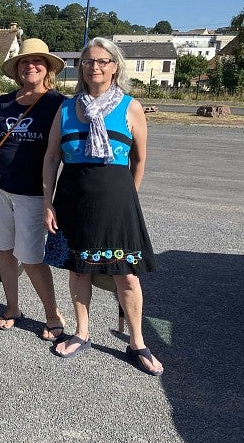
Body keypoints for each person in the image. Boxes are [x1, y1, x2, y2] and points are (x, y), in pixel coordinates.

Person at [42, 37, 164, 375]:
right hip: (71, 199)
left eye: (102, 61)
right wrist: (47, 203)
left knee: (126, 275)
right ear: (80, 67)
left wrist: (127, 196)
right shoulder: (66, 109)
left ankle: (137, 342)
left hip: (116, 200)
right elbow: (52, 158)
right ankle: (82, 333)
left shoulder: (131, 107)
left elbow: (139, 159)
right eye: (88, 61)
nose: (95, 66)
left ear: (114, 66)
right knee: (79, 268)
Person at [0, 38, 66, 341]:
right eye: (24, 62)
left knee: (31, 257)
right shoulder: (4, 101)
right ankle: (12, 308)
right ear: (17, 69)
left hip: (32, 193)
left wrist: (51, 201)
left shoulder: (57, 104)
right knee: (3, 252)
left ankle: (52, 315)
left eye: (37, 62)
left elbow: (57, 155)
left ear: (47, 69)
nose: (30, 66)